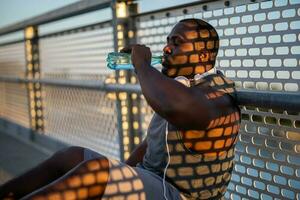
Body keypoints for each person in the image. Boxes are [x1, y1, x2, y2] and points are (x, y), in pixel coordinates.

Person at [0, 18, 240, 200]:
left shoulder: (216, 94)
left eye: (176, 43)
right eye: (167, 42)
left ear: (204, 54)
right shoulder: (181, 86)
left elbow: (172, 105)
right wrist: (118, 173)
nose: (167, 49)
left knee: (94, 171)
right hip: (155, 182)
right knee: (72, 156)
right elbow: (150, 143)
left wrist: (142, 65)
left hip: (179, 195)